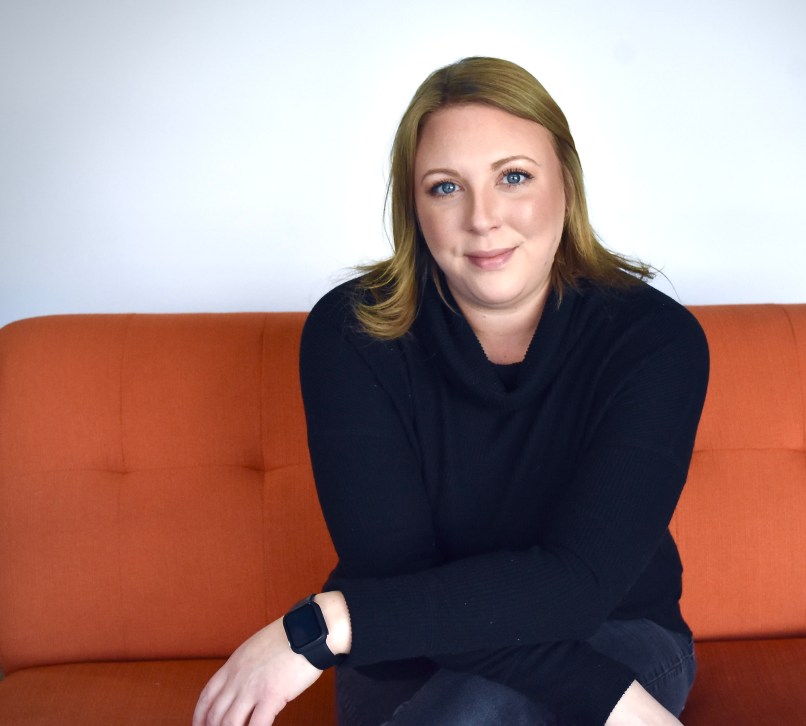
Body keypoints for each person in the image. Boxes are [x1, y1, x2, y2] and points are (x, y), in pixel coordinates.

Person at [194, 56, 708, 726]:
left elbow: (578, 587)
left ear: (567, 185)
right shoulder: (351, 334)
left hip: (611, 635)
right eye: (445, 188)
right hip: (405, 648)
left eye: (514, 177)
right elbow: (396, 570)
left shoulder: (654, 341)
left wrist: (330, 621)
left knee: (478, 706)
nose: (483, 219)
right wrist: (615, 705)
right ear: (414, 207)